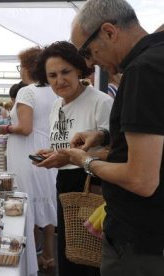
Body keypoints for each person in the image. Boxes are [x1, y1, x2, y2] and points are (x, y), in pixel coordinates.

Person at [63, 1, 164, 275]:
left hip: (140, 242)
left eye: (87, 51)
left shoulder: (142, 70)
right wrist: (106, 135)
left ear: (108, 32)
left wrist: (86, 162)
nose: (89, 62)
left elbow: (141, 179)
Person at [32, 41, 113, 276]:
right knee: (68, 253)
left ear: (79, 69)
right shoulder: (57, 105)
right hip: (64, 183)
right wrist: (52, 153)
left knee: (87, 258)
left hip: (93, 184)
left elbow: (115, 151)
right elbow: (65, 145)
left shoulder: (101, 102)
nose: (60, 80)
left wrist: (68, 158)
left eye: (65, 72)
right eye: (52, 75)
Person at [0, 46, 58, 275]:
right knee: (46, 201)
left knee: (28, 204)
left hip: (27, 154)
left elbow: (25, 127)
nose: (19, 71)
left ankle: (31, 258)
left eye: (20, 66)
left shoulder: (26, 91)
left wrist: (6, 128)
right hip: (47, 152)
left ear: (28, 67)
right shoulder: (54, 91)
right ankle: (49, 255)